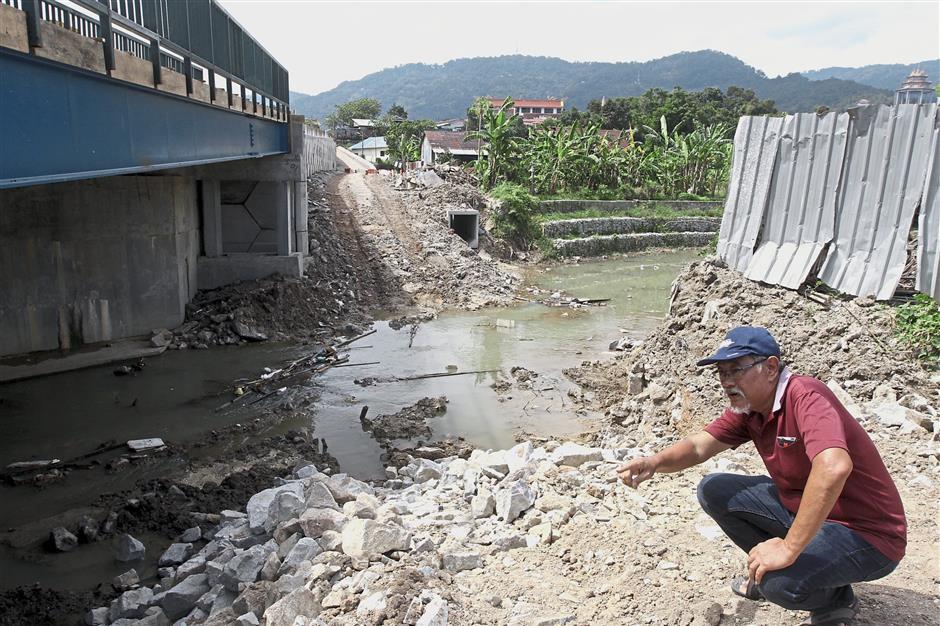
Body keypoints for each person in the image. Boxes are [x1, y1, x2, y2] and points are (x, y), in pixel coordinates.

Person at [617, 326, 905, 626]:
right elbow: (700, 446)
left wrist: (789, 548)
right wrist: (654, 462)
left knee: (778, 585)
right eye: (721, 373)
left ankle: (834, 600)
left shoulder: (805, 396)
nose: (727, 382)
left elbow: (834, 467)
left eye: (735, 371)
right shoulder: (751, 408)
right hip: (812, 513)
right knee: (715, 489)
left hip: (866, 533)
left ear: (770, 368)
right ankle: (801, 568)